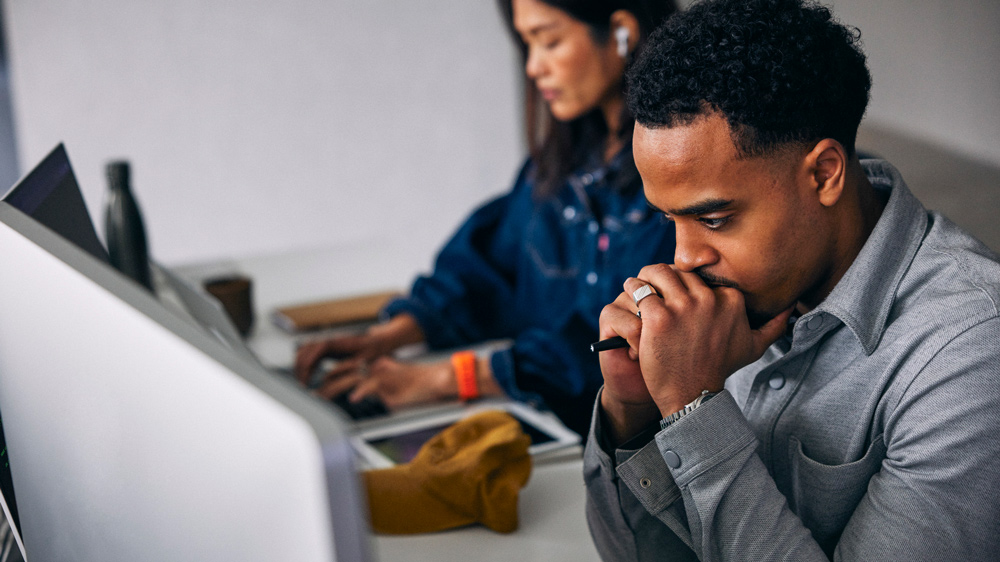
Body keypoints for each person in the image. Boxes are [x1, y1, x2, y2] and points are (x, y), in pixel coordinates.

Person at [584, 0, 1000, 560]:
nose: (683, 259)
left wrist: (693, 411)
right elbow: (631, 555)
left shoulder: (971, 353)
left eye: (713, 219)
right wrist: (633, 414)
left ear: (824, 174)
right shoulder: (730, 296)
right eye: (670, 218)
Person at [295, 0, 678, 436]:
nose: (533, 67)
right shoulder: (563, 166)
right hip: (548, 420)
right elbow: (488, 269)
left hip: (625, 448)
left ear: (622, 32)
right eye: (526, 45)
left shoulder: (675, 183)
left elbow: (619, 347)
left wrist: (445, 378)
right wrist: (387, 336)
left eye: (549, 41)